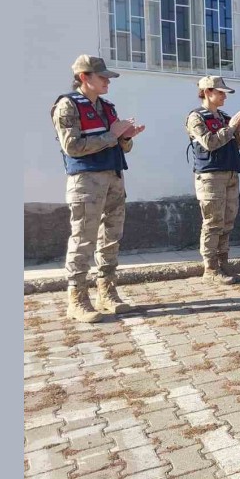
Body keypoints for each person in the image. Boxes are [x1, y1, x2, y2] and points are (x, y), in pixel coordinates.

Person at [51, 55, 145, 323]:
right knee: (83, 238)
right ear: (84, 77)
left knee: (111, 238)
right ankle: (77, 299)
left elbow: (120, 146)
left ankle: (107, 292)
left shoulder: (107, 107)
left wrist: (126, 138)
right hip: (86, 180)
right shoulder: (66, 106)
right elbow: (73, 146)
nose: (107, 81)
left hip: (114, 177)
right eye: (102, 77)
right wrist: (113, 135)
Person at [185, 76, 240, 285]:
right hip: (210, 176)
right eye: (220, 92)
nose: (223, 97)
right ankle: (210, 268)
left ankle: (223, 262)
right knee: (213, 222)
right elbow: (209, 142)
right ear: (207, 92)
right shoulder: (196, 117)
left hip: (230, 172)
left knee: (228, 220)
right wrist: (230, 127)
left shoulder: (224, 116)